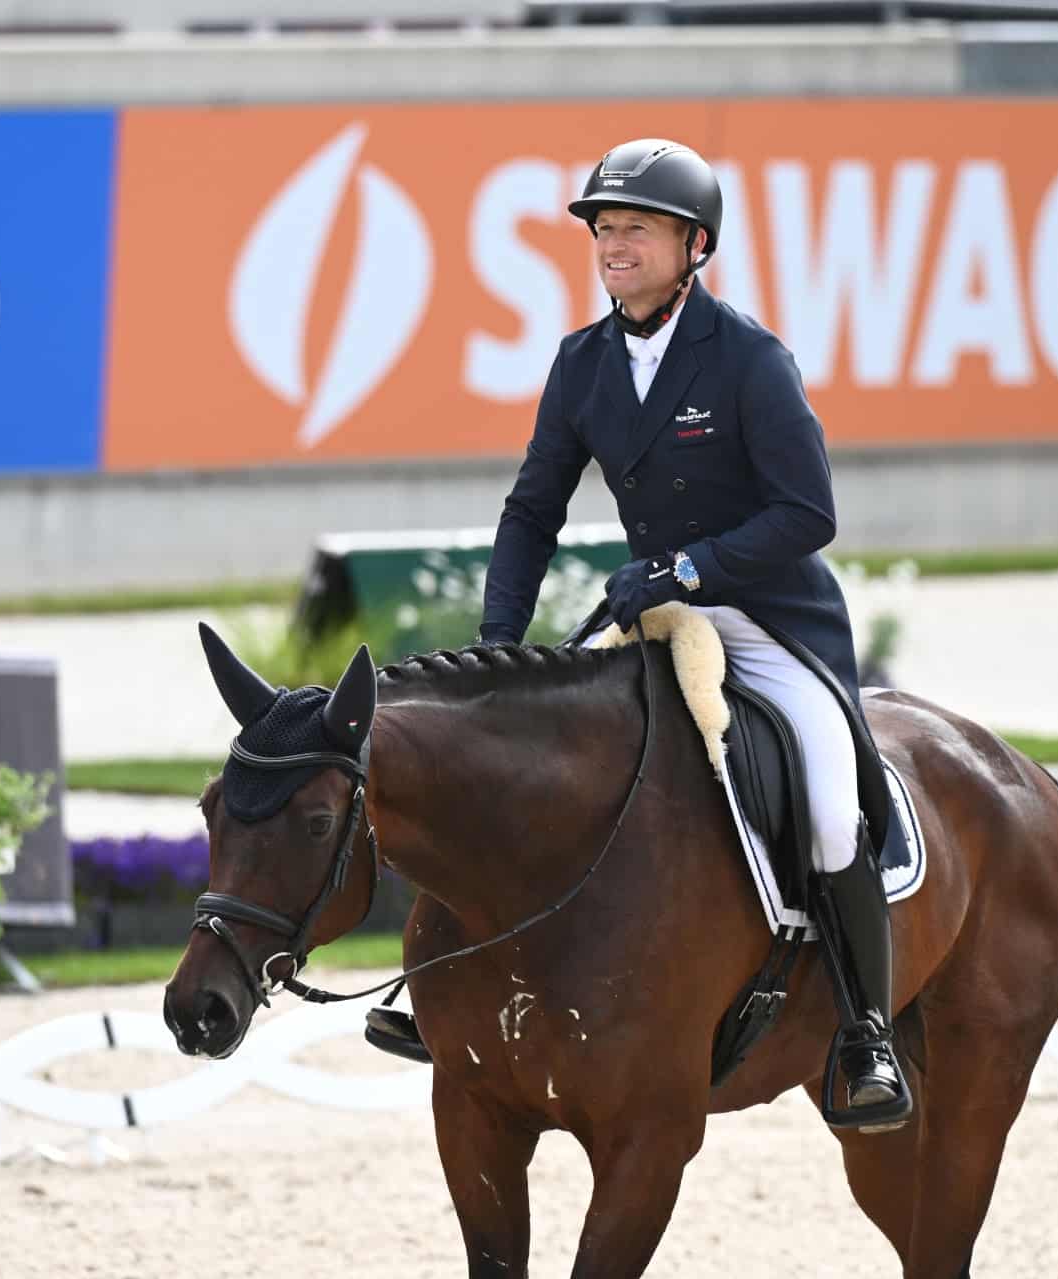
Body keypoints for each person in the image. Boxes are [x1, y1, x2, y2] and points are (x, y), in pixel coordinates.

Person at [369, 138, 910, 1131]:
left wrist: (691, 567)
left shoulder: (748, 359)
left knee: (832, 805)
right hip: (651, 612)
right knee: (520, 763)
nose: (614, 247)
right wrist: (499, 650)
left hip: (767, 618)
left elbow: (808, 513)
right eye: (605, 229)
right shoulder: (580, 364)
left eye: (637, 230)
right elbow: (533, 512)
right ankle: (449, 988)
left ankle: (866, 1030)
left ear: (693, 245)